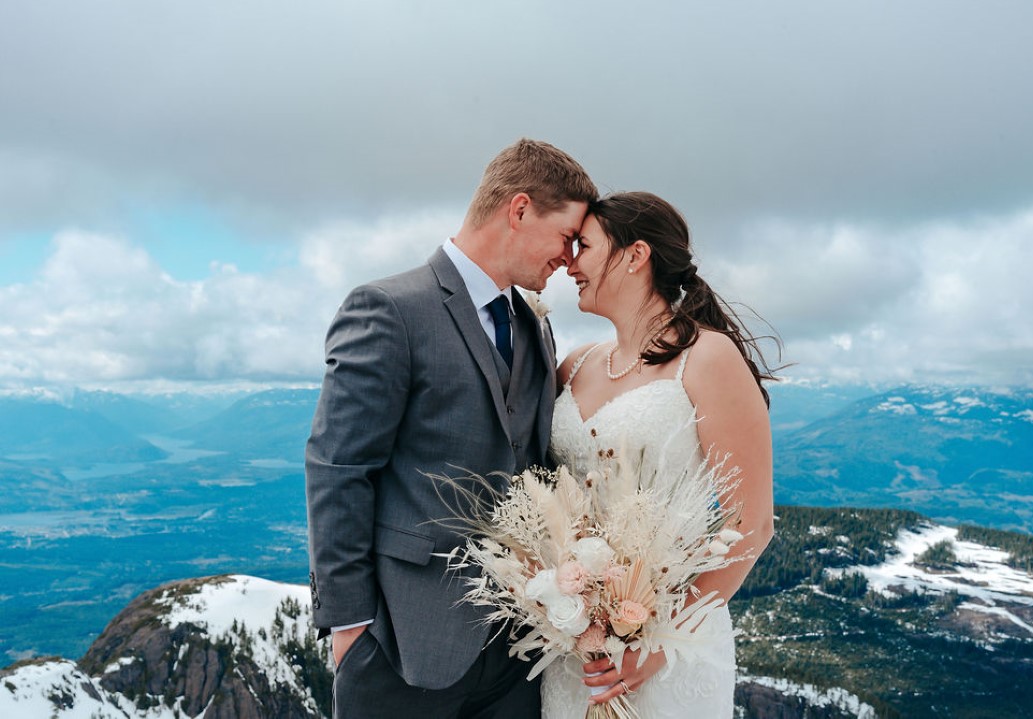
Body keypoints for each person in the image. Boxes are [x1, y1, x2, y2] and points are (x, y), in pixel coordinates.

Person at [305, 138, 598, 718]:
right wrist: (350, 629)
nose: (569, 260)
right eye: (566, 237)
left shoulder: (535, 328)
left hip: (517, 651)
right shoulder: (389, 308)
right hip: (404, 646)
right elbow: (338, 467)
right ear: (518, 210)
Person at [540, 191, 777, 717]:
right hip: (575, 646)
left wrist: (658, 644)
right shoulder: (576, 364)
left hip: (669, 651)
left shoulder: (708, 357)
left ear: (634, 255)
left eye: (584, 246)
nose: (569, 264)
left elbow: (753, 525)